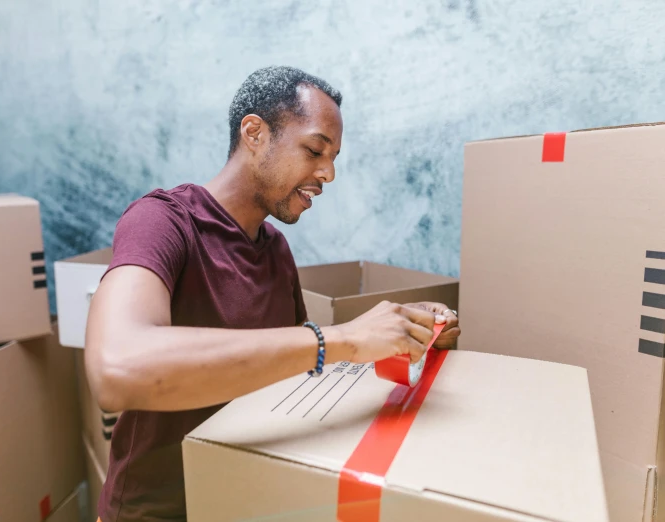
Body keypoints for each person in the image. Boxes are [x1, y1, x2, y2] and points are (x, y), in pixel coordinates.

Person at [84, 65, 461, 522]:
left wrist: (402, 328)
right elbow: (117, 368)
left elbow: (296, 365)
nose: (328, 173)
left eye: (334, 156)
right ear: (255, 133)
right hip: (160, 511)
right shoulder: (162, 222)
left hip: (249, 497)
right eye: (315, 150)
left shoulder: (275, 248)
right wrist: (340, 339)